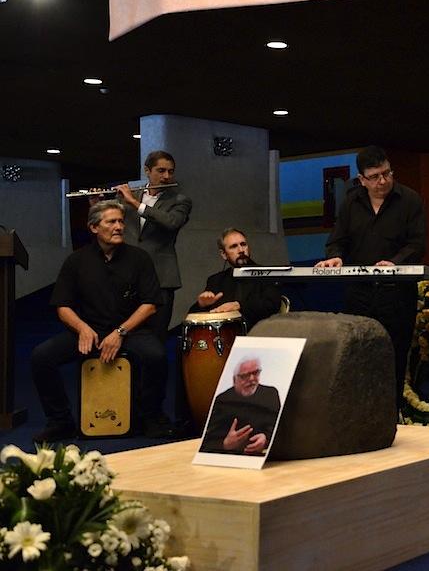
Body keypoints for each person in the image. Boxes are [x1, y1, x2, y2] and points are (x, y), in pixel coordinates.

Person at [30, 200, 172, 442]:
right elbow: (62, 306)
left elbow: (150, 305)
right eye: (111, 222)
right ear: (94, 227)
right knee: (41, 357)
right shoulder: (76, 261)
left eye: (121, 222)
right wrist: (82, 328)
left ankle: (151, 417)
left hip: (130, 330)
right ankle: (60, 421)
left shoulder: (139, 258)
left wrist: (120, 332)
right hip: (90, 331)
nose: (119, 227)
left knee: (157, 356)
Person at [316, 146, 426, 407]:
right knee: (359, 355)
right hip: (360, 294)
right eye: (375, 177)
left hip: (396, 294)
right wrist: (336, 256)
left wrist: (394, 263)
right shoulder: (351, 203)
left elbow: (417, 244)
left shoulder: (410, 200)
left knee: (394, 359)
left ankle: (391, 417)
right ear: (362, 179)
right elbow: (337, 241)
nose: (383, 181)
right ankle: (360, 417)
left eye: (387, 173)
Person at [116, 150, 192, 343]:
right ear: (147, 170)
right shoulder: (127, 197)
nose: (166, 176)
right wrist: (95, 203)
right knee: (125, 335)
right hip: (128, 277)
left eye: (170, 171)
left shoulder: (180, 200)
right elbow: (107, 224)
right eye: (161, 170)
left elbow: (171, 222)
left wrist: (135, 203)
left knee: (156, 340)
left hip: (161, 279)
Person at [189, 228, 281, 331]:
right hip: (225, 335)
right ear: (224, 254)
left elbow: (272, 304)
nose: (241, 250)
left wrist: (239, 305)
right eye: (234, 246)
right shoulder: (216, 280)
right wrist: (202, 305)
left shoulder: (266, 274)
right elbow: (193, 318)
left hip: (258, 332)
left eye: (243, 244)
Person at [199, 357, 281, 455]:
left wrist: (266, 439)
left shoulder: (270, 394)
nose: (251, 379)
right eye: (245, 376)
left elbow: (279, 429)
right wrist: (225, 444)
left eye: (255, 373)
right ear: (234, 380)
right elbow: (206, 442)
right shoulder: (222, 401)